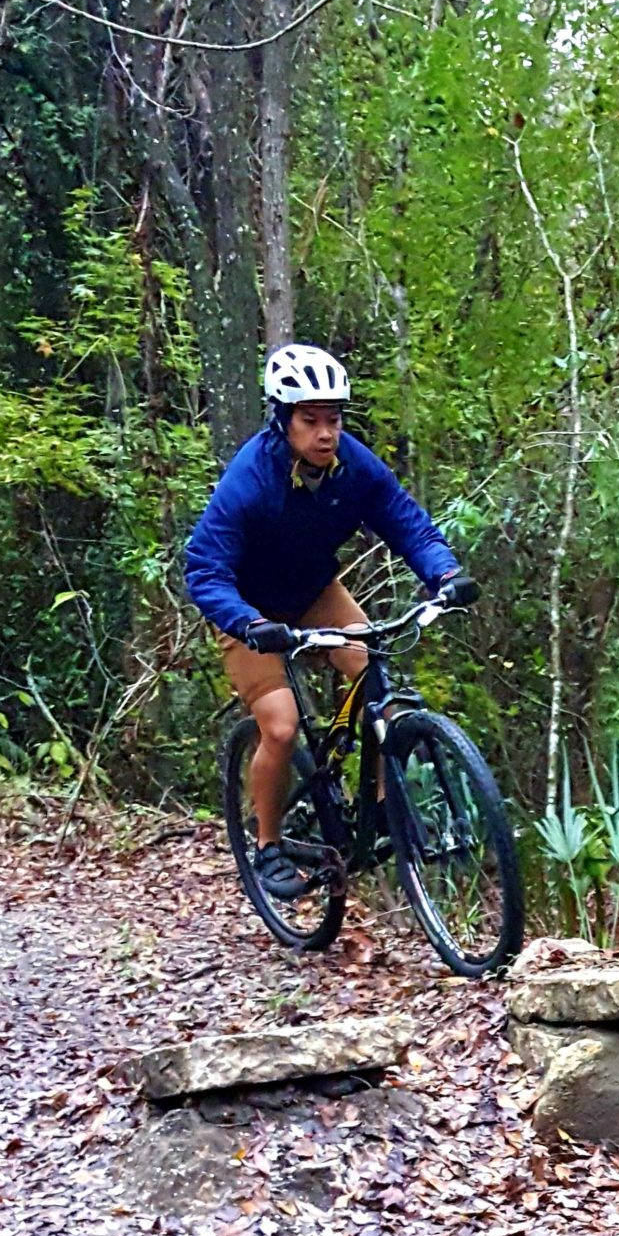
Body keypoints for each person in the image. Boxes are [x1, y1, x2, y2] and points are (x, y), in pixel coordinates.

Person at [183, 345, 476, 899]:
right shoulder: (251, 479)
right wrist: (246, 621)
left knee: (377, 679)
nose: (324, 434)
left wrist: (445, 574)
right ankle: (267, 845)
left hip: (314, 592)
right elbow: (204, 568)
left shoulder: (353, 467)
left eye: (333, 421)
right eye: (309, 421)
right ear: (282, 421)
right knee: (280, 725)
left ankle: (389, 809)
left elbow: (405, 521)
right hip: (248, 608)